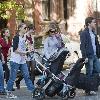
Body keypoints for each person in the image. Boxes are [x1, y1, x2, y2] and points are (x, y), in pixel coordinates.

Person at [6, 24, 35, 99]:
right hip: (15, 61)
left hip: (22, 61)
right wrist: (25, 52)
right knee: (12, 77)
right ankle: (8, 93)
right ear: (20, 29)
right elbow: (15, 50)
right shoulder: (16, 38)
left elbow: (28, 44)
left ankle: (33, 91)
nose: (26, 29)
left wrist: (30, 48)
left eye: (27, 28)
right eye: (25, 28)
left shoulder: (24, 37)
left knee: (27, 76)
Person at [80, 17, 100, 94]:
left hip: (95, 55)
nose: (95, 23)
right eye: (93, 22)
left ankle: (94, 86)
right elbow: (82, 46)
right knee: (89, 73)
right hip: (89, 56)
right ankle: (88, 90)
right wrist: (84, 57)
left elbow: (96, 44)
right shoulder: (84, 33)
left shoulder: (93, 32)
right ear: (89, 23)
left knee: (97, 70)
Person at [15, 24, 36, 89]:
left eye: (33, 30)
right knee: (26, 72)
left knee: (33, 70)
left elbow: (32, 45)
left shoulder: (32, 36)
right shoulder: (24, 36)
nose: (33, 31)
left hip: (32, 54)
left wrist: (33, 49)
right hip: (26, 55)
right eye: (32, 30)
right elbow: (23, 46)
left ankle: (32, 85)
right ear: (29, 29)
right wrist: (26, 51)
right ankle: (18, 81)